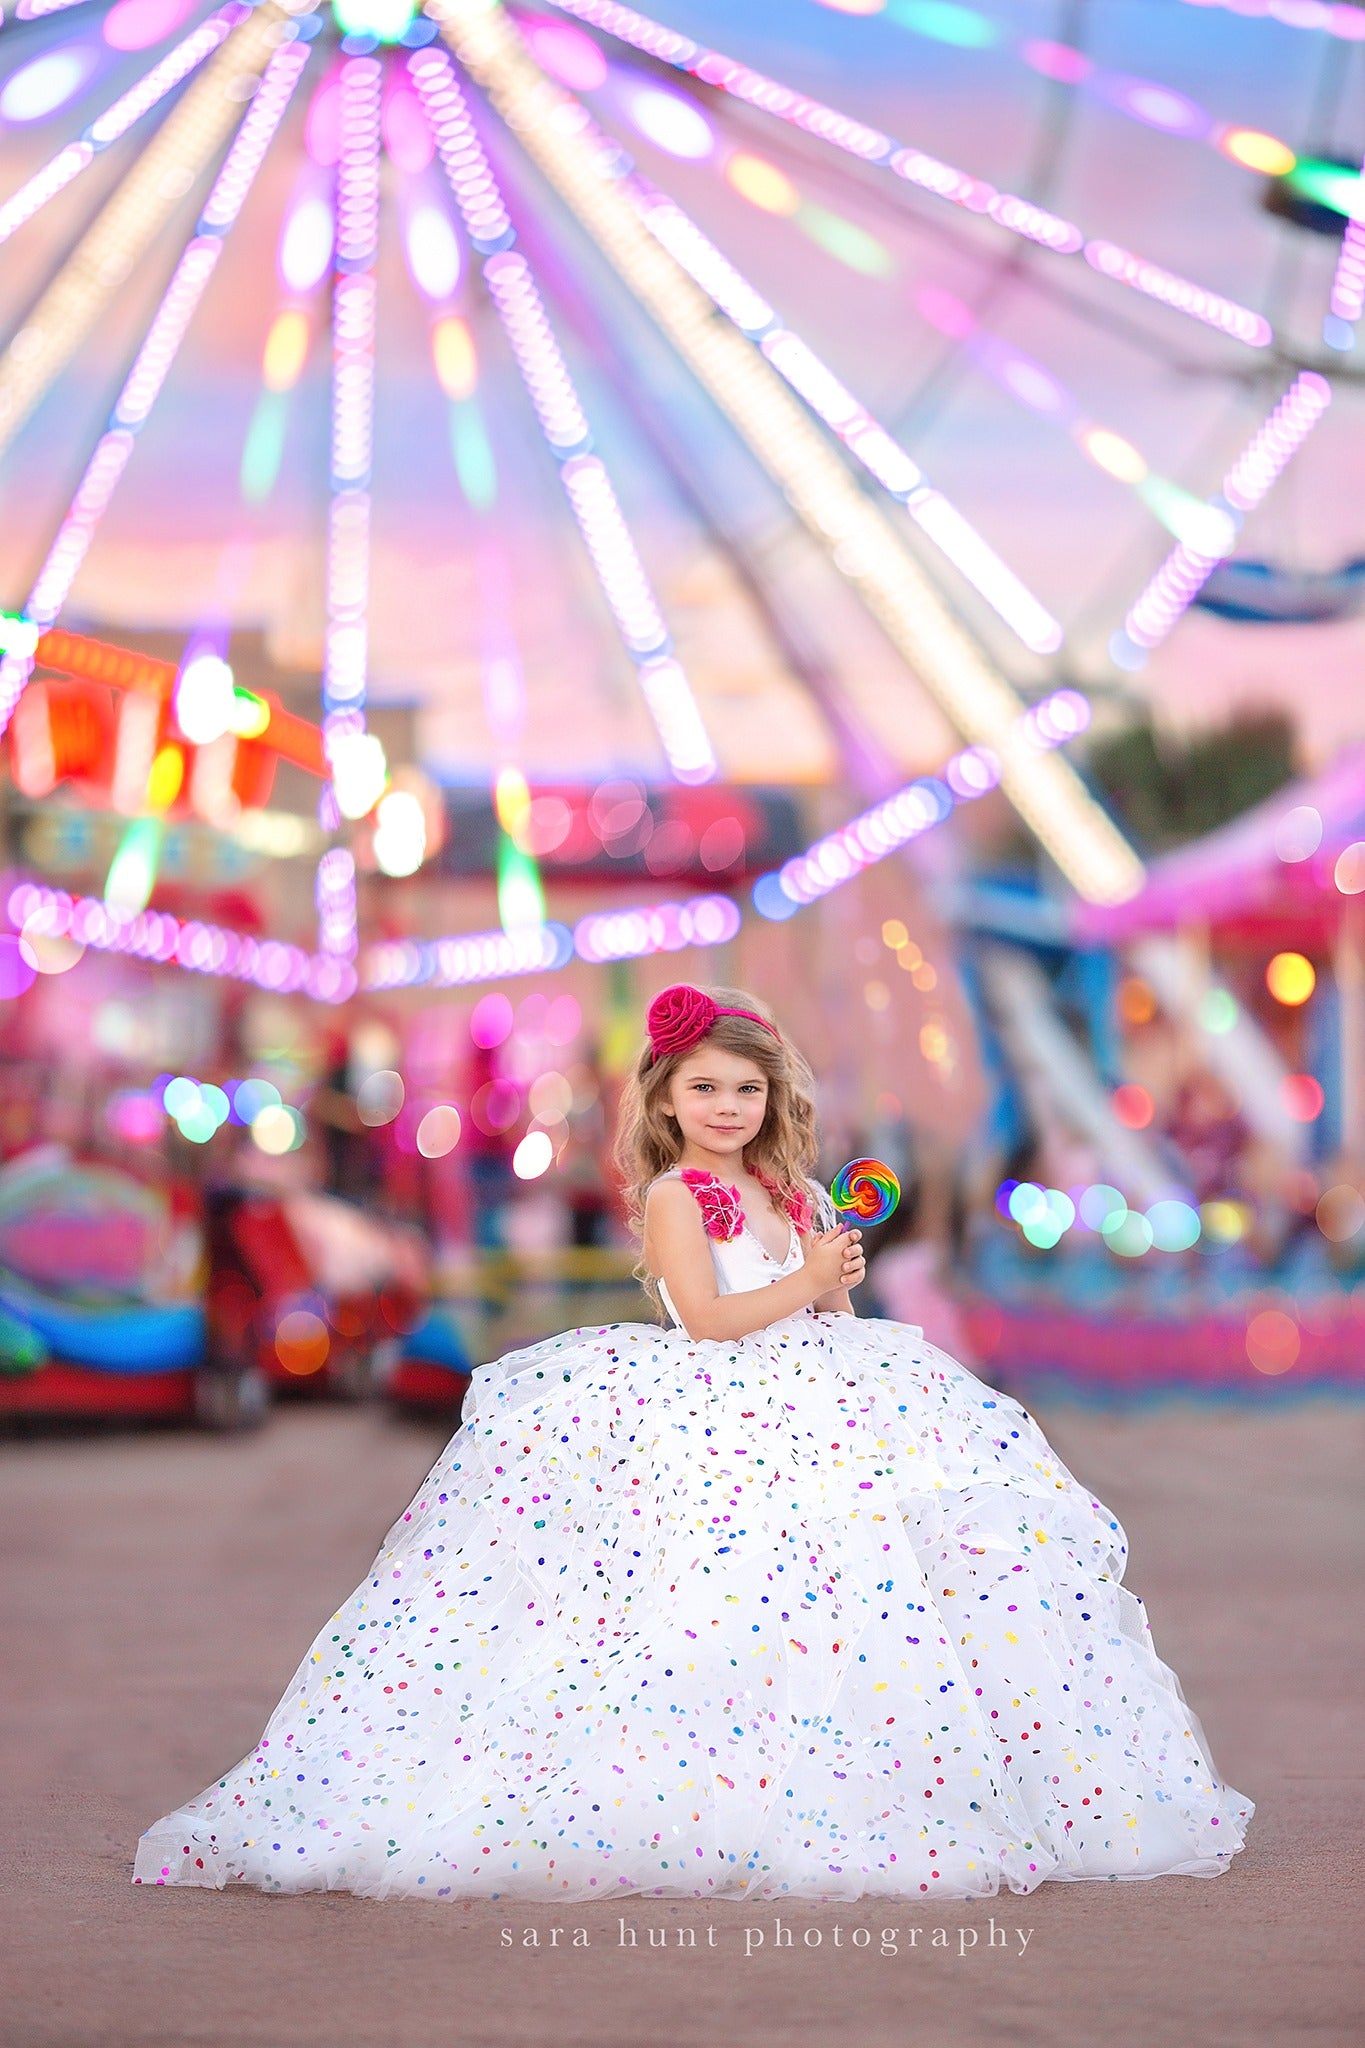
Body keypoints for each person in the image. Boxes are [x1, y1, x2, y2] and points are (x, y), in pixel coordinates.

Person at [132, 982, 1252, 1904]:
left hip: (823, 1391)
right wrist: (805, 1282)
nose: (726, 1104)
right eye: (705, 1086)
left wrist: (832, 1285)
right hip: (719, 1405)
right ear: (667, 1098)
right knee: (712, 1595)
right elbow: (707, 1318)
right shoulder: (680, 1195)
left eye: (747, 1088)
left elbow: (822, 1308)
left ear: (775, 1098)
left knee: (893, 1574)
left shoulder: (790, 1185)